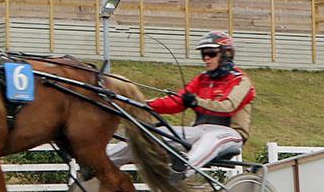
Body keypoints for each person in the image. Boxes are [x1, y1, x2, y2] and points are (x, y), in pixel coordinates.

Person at [106, 31, 253, 175]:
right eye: (203, 54)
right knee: (151, 134)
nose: (206, 59)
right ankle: (105, 163)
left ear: (227, 54)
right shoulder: (202, 79)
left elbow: (228, 107)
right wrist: (140, 104)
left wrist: (196, 102)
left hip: (230, 134)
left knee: (211, 138)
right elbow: (177, 102)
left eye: (211, 54)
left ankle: (183, 169)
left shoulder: (241, 80)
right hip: (200, 130)